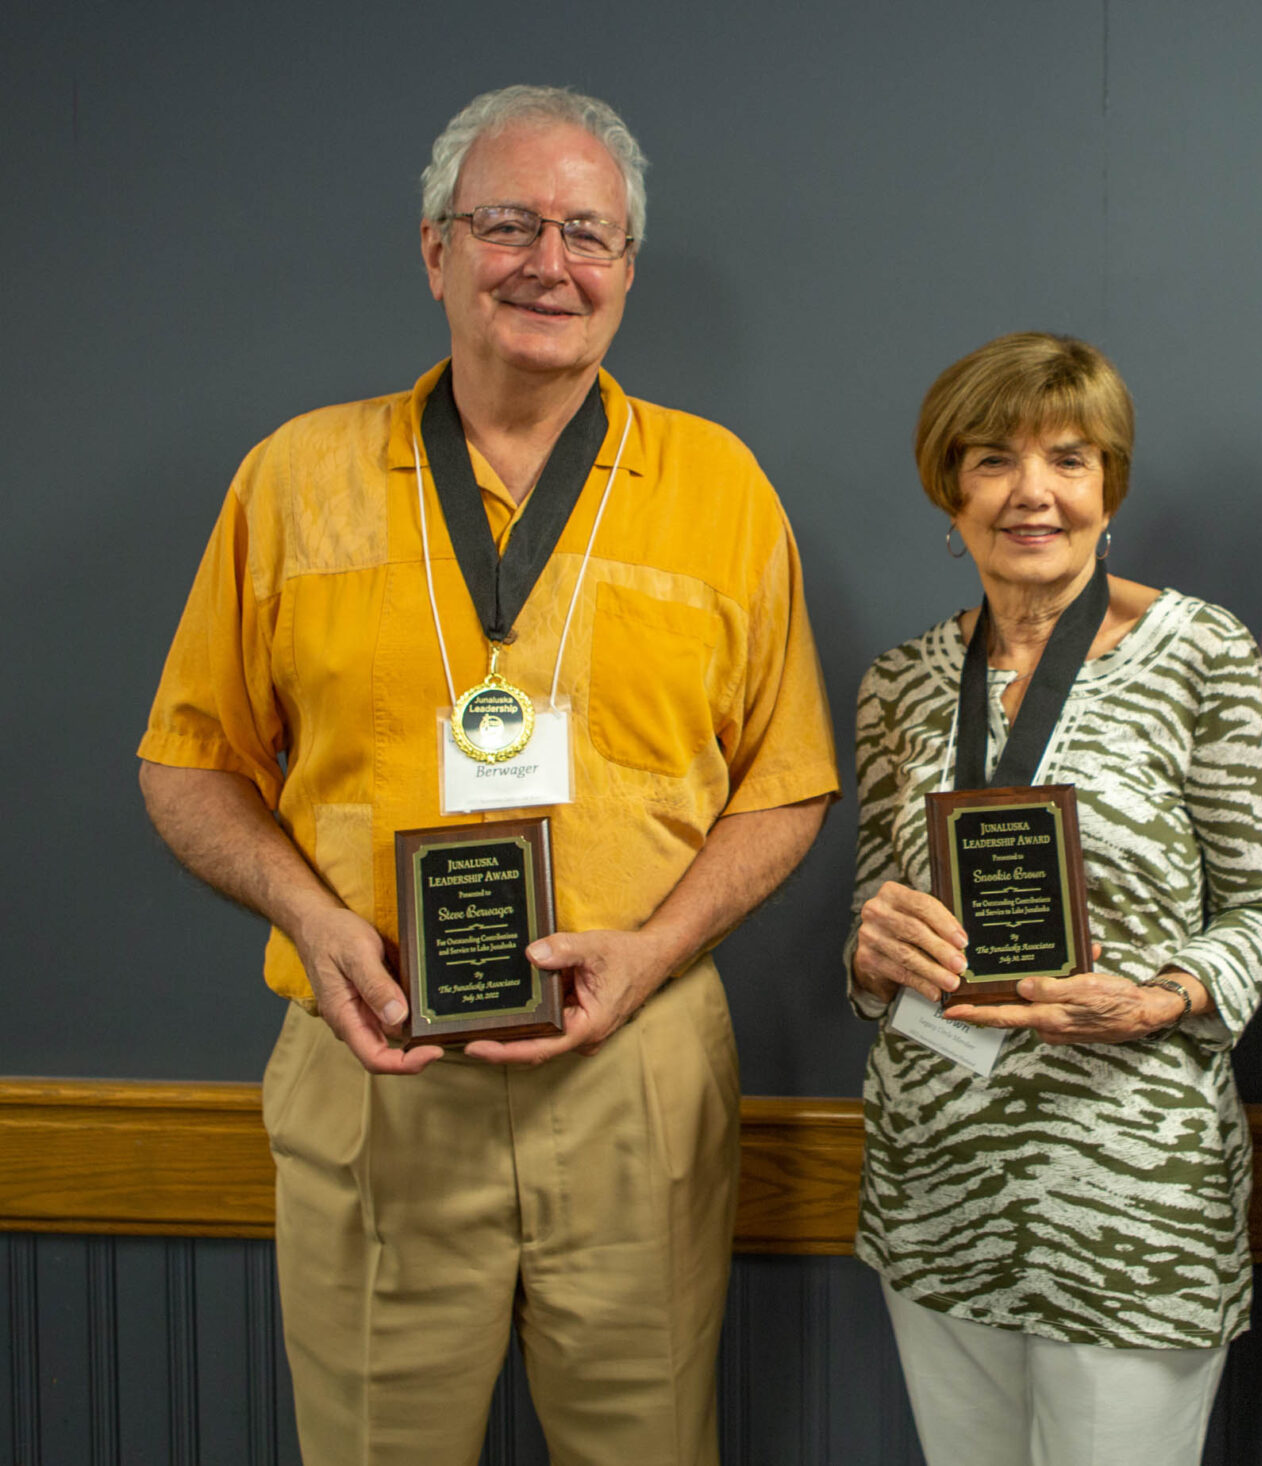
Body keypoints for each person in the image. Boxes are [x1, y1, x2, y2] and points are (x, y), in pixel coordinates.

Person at [137, 85, 838, 1464]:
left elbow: (788, 779)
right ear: (434, 249)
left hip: (634, 1072)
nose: (548, 262)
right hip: (375, 1072)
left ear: (627, 269)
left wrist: (656, 949)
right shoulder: (294, 480)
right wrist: (313, 920)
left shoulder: (722, 488)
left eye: (588, 232)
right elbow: (188, 764)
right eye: (507, 221)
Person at [846, 331, 1262, 1466]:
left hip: (1131, 1190)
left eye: (1068, 458)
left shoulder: (1199, 653)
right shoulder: (899, 682)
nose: (1030, 492)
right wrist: (870, 951)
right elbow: (870, 922)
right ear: (950, 489)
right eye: (992, 459)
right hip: (938, 1177)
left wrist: (1156, 997)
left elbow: (1260, 902)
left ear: (1110, 486)